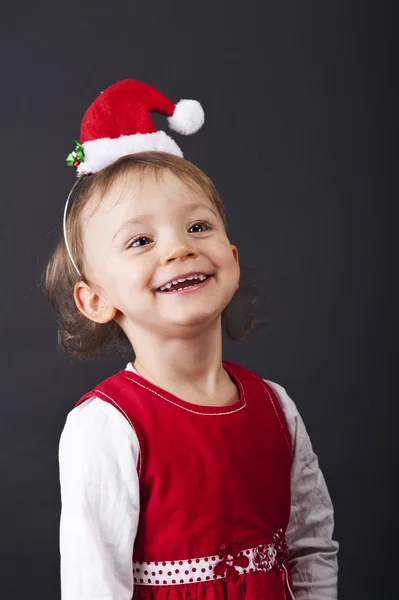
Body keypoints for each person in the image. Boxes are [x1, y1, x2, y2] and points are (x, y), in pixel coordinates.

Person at [45, 79, 339, 600]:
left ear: (233, 256)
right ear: (95, 300)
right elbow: (95, 586)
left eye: (199, 227)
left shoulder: (277, 408)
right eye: (140, 240)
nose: (179, 249)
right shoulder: (107, 427)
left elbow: (311, 547)